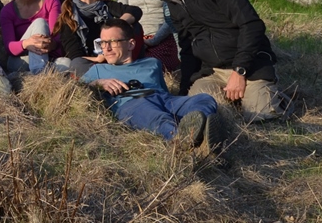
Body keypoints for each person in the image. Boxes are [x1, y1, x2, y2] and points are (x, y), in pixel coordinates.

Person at [131, 0, 289, 122]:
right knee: (197, 115)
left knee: (261, 117)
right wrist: (183, 93)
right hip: (213, 72)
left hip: (250, 67)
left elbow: (251, 25)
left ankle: (274, 97)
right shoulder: (171, 3)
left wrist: (240, 70)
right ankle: (234, 102)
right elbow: (187, 49)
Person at [82, 18, 226, 150]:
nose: (106, 48)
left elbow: (164, 92)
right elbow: (75, 90)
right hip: (132, 104)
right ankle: (181, 139)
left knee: (204, 99)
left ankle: (202, 130)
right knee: (157, 117)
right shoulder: (98, 70)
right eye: (102, 43)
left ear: (131, 44)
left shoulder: (152, 63)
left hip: (164, 99)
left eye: (113, 42)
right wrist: (97, 83)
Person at [54, 0, 142, 77]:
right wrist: (99, 58)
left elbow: (135, 11)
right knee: (77, 64)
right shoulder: (69, 18)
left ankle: (131, 67)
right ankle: (107, 78)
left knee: (135, 25)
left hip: (114, 56)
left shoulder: (106, 6)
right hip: (92, 62)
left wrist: (118, 25)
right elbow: (74, 55)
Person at [0, 0, 61, 74]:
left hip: (47, 54)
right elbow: (9, 47)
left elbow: (57, 37)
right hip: (20, 58)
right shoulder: (7, 11)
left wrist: (50, 45)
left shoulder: (50, 0)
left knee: (66, 63)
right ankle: (40, 73)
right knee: (40, 22)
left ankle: (32, 72)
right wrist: (26, 43)